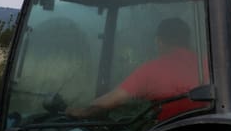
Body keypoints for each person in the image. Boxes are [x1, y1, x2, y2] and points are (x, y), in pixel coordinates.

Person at [68, 17, 206, 122]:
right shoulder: (206, 64)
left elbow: (113, 100)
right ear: (187, 40)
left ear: (159, 41)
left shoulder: (152, 70)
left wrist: (83, 111)